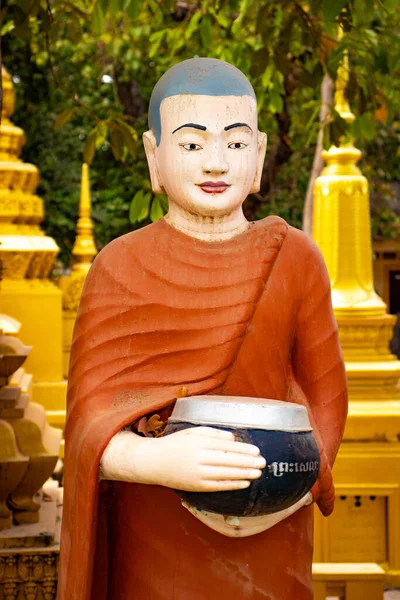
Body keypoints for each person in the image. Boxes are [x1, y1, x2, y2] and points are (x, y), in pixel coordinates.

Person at [58, 58, 347, 600]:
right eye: (192, 145)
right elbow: (87, 426)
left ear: (258, 155)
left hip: (273, 527)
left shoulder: (295, 257)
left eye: (235, 145)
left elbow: (327, 399)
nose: (216, 163)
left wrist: (289, 485)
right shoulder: (119, 264)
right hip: (157, 527)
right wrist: (155, 460)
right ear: (154, 156)